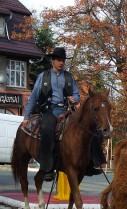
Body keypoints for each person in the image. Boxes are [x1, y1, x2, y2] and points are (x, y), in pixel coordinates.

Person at [23, 47, 105, 181]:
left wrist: (75, 99)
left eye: (63, 60)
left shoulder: (69, 77)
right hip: (49, 111)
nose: (61, 63)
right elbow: (33, 97)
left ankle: (93, 163)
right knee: (48, 128)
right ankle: (47, 168)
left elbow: (76, 95)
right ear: (53, 61)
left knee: (89, 127)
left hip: (67, 111)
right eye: (59, 60)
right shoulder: (43, 76)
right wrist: (27, 117)